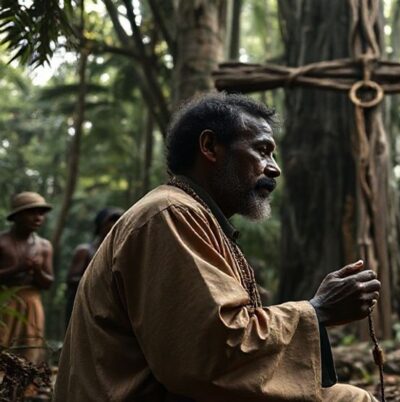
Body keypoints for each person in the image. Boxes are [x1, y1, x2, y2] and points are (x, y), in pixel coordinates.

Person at [55, 93, 380, 401]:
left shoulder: (190, 215)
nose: (274, 167)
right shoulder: (171, 214)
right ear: (210, 147)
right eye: (262, 150)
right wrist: (317, 310)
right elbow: (211, 352)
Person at [0, 191, 54, 364]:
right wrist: (17, 268)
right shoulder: (2, 242)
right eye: (32, 212)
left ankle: (27, 381)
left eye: (41, 213)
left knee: (30, 349)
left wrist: (38, 271)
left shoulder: (44, 246)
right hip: (5, 302)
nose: (38, 218)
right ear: (17, 216)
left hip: (32, 304)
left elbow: (48, 282)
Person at [64, 207, 123, 328]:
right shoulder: (85, 251)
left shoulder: (121, 253)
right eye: (111, 221)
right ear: (100, 226)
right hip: (84, 308)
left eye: (119, 221)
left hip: (109, 311)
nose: (114, 225)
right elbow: (71, 280)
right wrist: (98, 278)